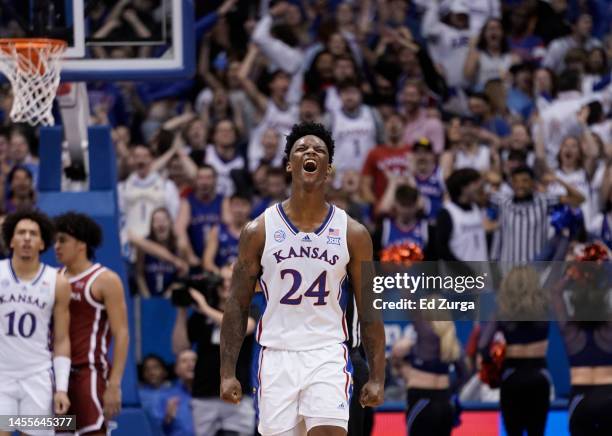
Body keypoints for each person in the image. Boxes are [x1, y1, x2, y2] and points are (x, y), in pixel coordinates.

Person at [219, 122, 386, 435]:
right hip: (276, 355)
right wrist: (227, 371)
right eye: (301, 149)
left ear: (328, 168)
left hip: (328, 352)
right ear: (289, 164)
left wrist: (377, 374)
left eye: (319, 150)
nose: (310, 152)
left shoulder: (353, 233)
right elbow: (237, 304)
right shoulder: (258, 231)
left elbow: (369, 309)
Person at [54, 212, 130, 435]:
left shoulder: (105, 280)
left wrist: (114, 384)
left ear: (81, 244)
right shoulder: (52, 279)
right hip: (56, 377)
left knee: (92, 431)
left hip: (89, 374)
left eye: (62, 240)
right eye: (55, 241)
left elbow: (122, 333)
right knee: (58, 431)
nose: (56, 246)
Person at [0, 210, 72, 431]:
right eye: (21, 232)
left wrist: (61, 388)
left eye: (33, 233)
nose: (27, 238)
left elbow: (61, 340)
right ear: (11, 240)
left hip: (37, 375)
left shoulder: (57, 282)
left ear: (42, 243)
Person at [172, 263, 257, 436]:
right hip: (204, 395)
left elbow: (243, 328)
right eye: (221, 280)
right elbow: (179, 347)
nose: (226, 284)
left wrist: (204, 308)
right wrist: (182, 312)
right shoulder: (200, 316)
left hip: (237, 395)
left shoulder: (247, 309)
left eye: (230, 280)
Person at [478, 266, 551, 436]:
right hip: (539, 377)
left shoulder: (502, 313)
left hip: (512, 377)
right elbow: (555, 270)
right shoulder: (544, 308)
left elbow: (483, 345)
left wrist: (491, 367)